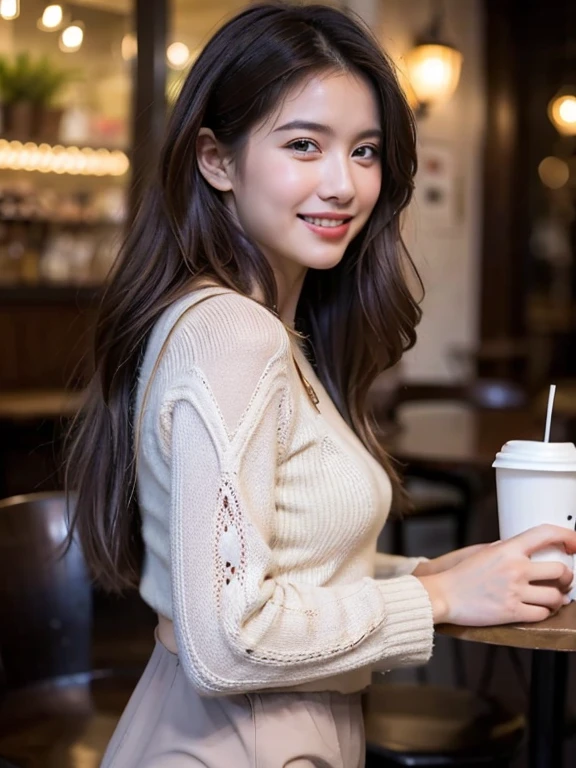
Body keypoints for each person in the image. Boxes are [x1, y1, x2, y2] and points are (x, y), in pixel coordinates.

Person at [64, 3, 576, 766]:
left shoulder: (275, 334)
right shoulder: (230, 333)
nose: (343, 184)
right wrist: (434, 601)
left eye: (365, 151)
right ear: (217, 159)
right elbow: (227, 642)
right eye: (304, 144)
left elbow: (293, 568)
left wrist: (438, 572)